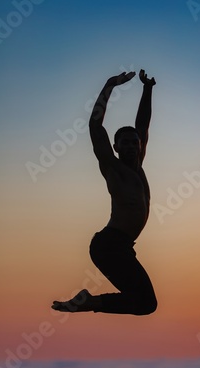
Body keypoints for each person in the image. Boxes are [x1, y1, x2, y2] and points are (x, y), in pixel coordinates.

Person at [51, 69, 157, 315]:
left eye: (135, 142)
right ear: (115, 147)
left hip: (122, 245)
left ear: (140, 145)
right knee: (145, 303)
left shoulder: (138, 167)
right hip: (109, 245)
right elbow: (95, 126)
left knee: (145, 303)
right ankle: (89, 302)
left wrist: (147, 89)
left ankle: (89, 302)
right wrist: (110, 85)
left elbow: (143, 124)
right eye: (125, 142)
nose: (131, 145)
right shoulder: (113, 168)